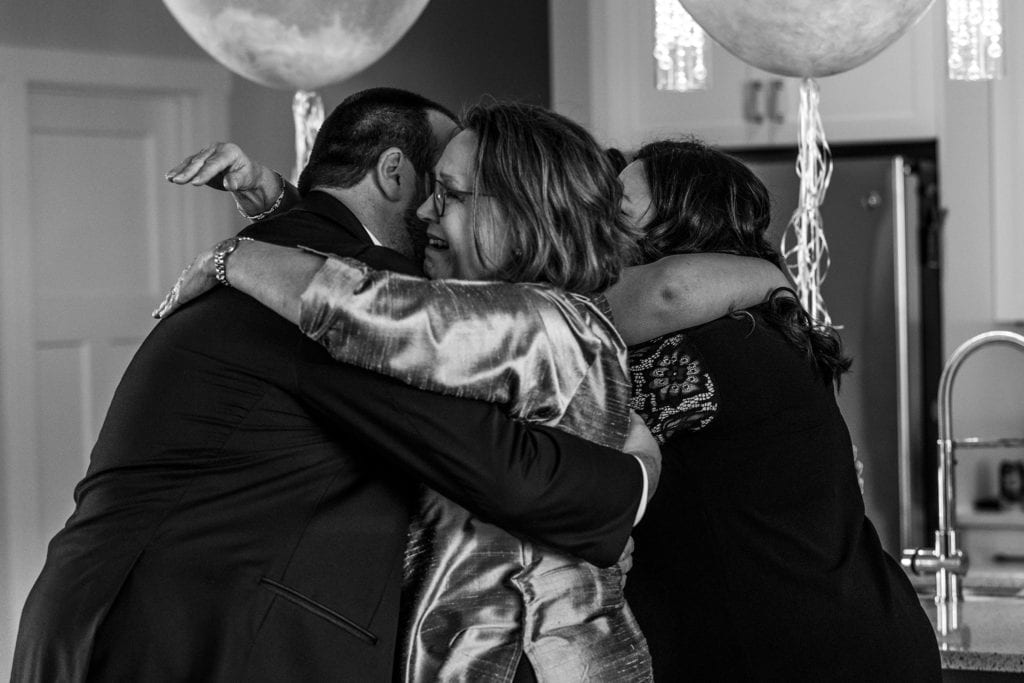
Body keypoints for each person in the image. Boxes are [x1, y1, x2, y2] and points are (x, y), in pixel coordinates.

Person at [10, 88, 659, 683]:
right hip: (179, 638)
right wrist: (638, 473)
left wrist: (256, 229)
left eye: (452, 193)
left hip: (117, 623)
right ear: (396, 173)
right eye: (434, 186)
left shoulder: (299, 256)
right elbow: (499, 466)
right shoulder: (328, 291)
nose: (433, 208)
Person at [616, 140, 941, 680]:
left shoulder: (697, 351)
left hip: (813, 658)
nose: (591, 230)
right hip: (852, 638)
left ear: (677, 238)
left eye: (616, 215)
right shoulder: (755, 325)